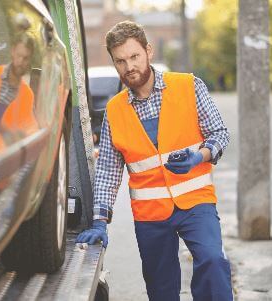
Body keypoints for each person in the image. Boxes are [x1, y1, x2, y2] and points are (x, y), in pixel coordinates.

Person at [76, 21, 233, 300]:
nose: (129, 67)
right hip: (150, 215)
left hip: (195, 202)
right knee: (161, 291)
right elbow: (108, 171)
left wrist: (200, 156)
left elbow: (219, 133)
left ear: (148, 51)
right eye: (120, 61)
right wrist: (100, 221)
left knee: (212, 260)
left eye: (134, 56)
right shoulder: (115, 111)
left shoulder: (188, 85)